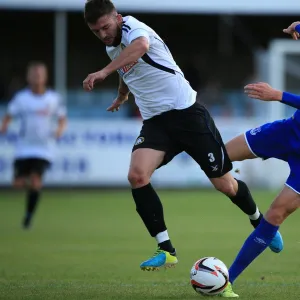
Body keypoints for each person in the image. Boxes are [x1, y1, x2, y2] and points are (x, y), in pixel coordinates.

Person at [82, 0, 283, 271]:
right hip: (156, 123)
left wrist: (103, 72)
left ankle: (259, 221)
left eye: (105, 27)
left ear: (117, 17)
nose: (103, 34)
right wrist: (121, 94)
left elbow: (139, 49)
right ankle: (166, 249)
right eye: (96, 32)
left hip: (187, 115)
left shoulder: (134, 28)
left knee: (225, 185)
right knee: (137, 176)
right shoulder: (112, 47)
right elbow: (125, 68)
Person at [217, 21, 300, 298]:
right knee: (217, 157)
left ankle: (226, 281)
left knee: (277, 213)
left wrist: (278, 95)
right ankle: (256, 217)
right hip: (289, 132)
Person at [0, 62, 67, 229]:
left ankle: (28, 217)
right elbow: (9, 114)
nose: (37, 78)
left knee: (36, 181)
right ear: (28, 77)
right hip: (24, 148)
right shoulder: (21, 98)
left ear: (45, 77)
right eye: (34, 74)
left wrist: (59, 130)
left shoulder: (53, 99)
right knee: (18, 183)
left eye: (40, 74)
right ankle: (29, 185)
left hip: (44, 148)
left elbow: (62, 119)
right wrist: (4, 126)